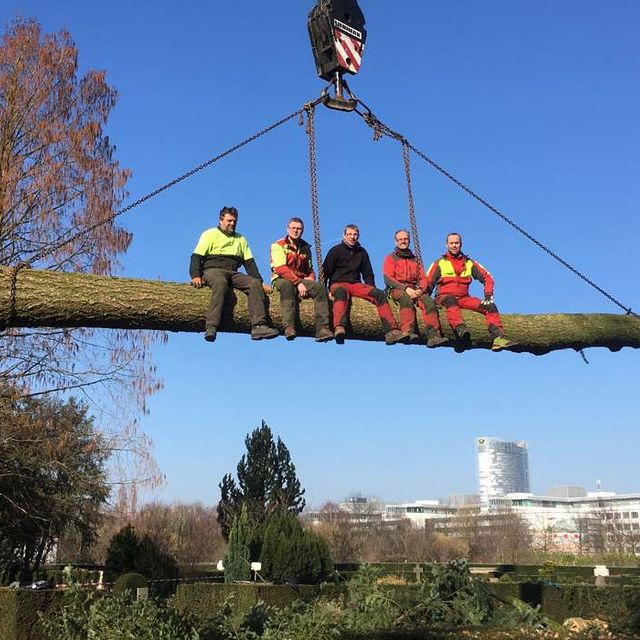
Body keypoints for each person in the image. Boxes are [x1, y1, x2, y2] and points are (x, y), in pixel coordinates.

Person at [189, 206, 279, 342]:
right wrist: (195, 275)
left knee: (254, 284)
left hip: (233, 272)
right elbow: (196, 256)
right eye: (229, 221)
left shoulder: (240, 239)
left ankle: (259, 326)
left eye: (234, 221)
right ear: (221, 220)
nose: (232, 224)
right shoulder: (209, 234)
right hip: (212, 270)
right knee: (220, 283)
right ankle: (211, 326)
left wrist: (260, 282)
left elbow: (249, 263)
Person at [424, 232, 517, 351]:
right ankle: (460, 329)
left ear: (461, 244)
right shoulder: (440, 262)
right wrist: (424, 300)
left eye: (456, 243)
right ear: (446, 245)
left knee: (489, 306)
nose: (454, 245)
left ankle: (498, 338)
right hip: (443, 297)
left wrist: (488, 295)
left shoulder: (469, 263)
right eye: (451, 243)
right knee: (451, 300)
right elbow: (428, 282)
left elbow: (487, 277)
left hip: (464, 298)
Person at [322, 224, 409, 345]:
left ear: (358, 236)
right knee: (341, 294)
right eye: (349, 234)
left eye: (355, 234)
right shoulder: (335, 251)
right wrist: (325, 290)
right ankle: (339, 327)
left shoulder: (362, 252)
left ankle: (391, 331)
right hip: (338, 283)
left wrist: (371, 288)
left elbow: (368, 274)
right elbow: (325, 271)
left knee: (378, 294)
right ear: (344, 236)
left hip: (355, 284)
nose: (352, 237)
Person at [270, 217, 333, 342]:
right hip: (281, 279)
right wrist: (298, 283)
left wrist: (311, 278)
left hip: (301, 279)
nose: (296, 231)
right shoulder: (278, 245)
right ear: (288, 229)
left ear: (302, 231)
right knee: (287, 287)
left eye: (299, 229)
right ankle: (289, 326)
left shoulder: (305, 248)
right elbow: (281, 268)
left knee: (320, 288)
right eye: (293, 228)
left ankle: (323, 328)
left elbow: (309, 269)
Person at [383, 229, 448, 348]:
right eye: (400, 239)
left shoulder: (415, 259)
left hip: (415, 289)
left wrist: (420, 290)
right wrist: (405, 289)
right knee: (406, 299)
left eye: (405, 239)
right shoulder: (390, 258)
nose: (403, 241)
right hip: (397, 288)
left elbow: (423, 278)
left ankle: (434, 335)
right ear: (396, 242)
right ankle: (408, 331)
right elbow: (388, 278)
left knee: (429, 302)